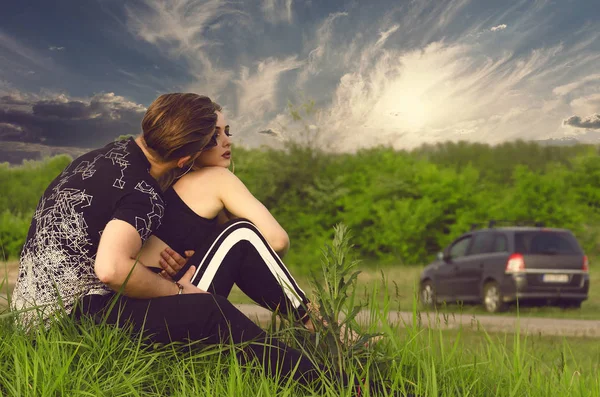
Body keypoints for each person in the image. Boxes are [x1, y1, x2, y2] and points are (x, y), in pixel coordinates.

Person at [9, 92, 365, 394]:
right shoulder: (143, 191)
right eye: (210, 139)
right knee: (211, 308)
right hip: (75, 323)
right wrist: (178, 293)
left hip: (34, 320)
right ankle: (337, 385)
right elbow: (111, 269)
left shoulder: (96, 159)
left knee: (217, 275)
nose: (224, 141)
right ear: (185, 159)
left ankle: (319, 342)